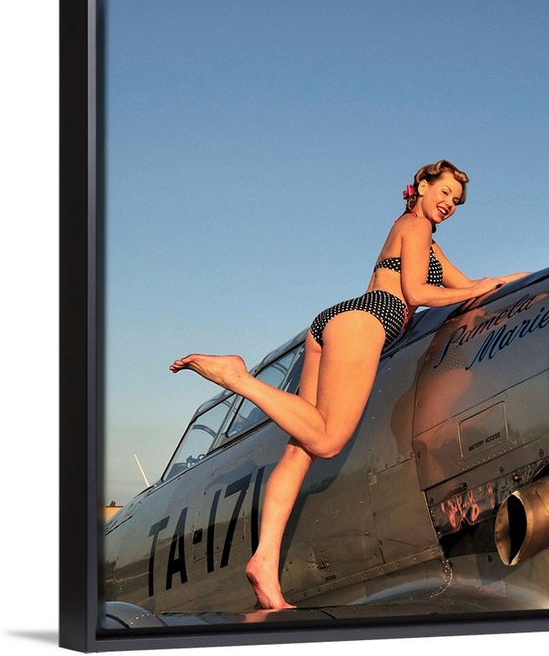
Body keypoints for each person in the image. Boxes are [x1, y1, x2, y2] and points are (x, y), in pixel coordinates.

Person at [170, 160, 529, 610]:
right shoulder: (415, 227)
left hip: (334, 323)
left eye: (456, 201)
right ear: (421, 185)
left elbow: (475, 287)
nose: (449, 204)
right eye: (444, 192)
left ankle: (263, 562)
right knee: (327, 440)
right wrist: (483, 284)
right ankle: (239, 377)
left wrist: (517, 281)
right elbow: (417, 294)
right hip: (369, 322)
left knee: (298, 450)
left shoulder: (420, 238)